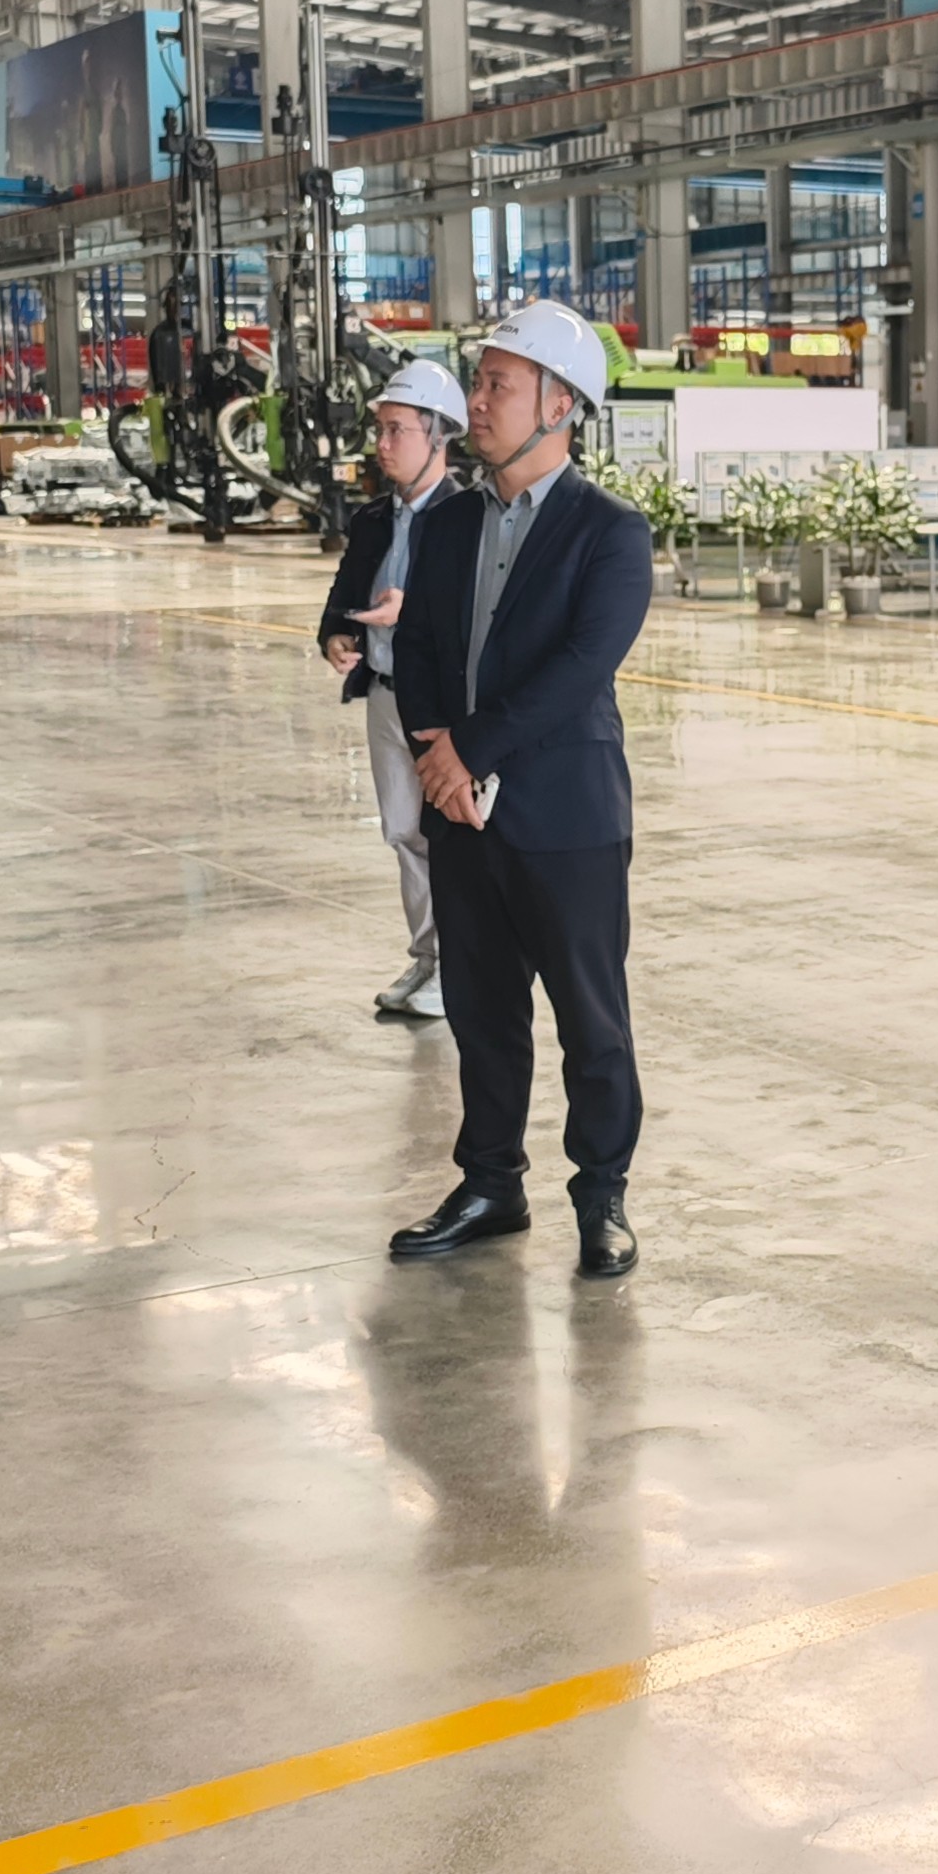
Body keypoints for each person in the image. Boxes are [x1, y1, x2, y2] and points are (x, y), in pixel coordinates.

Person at [384, 300, 655, 1279]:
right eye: (481, 380)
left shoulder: (610, 532)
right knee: (482, 1015)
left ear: (559, 404)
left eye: (498, 384)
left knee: (592, 1021)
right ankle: (491, 1183)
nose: (478, 400)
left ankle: (602, 1196)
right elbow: (417, 646)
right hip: (462, 818)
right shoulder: (451, 523)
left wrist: (466, 752)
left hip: (566, 819)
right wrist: (437, 755)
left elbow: (580, 667)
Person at [317, 359, 470, 1022]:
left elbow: (477, 614)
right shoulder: (375, 518)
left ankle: (460, 968)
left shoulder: (468, 517)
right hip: (385, 694)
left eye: (396, 430)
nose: (381, 444)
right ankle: (428, 958)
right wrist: (335, 635)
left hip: (437, 704)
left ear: (438, 436)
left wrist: (415, 610)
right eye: (379, 429)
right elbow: (344, 592)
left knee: (449, 838)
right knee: (404, 832)